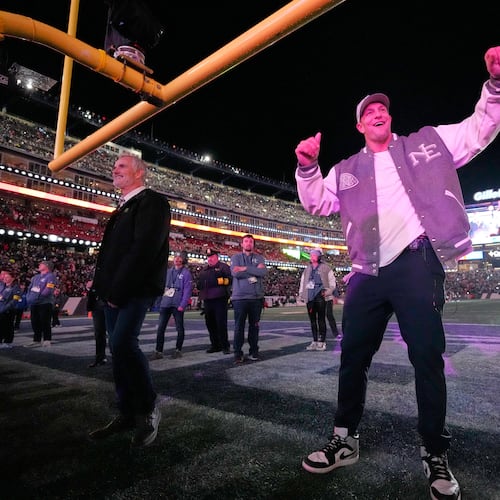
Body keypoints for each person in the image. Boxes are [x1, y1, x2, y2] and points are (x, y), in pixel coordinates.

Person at [294, 45, 500, 500]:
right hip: (366, 270)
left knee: (427, 358)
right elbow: (316, 202)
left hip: (414, 262)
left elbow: (479, 129)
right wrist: (307, 167)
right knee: (352, 358)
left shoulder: (425, 142)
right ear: (359, 125)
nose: (378, 112)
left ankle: (434, 453)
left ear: (390, 117)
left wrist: (496, 87)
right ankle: (345, 437)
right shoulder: (346, 169)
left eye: (383, 107)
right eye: (369, 111)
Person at [89, 154, 171, 448]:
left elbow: (143, 250)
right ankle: (126, 411)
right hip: (112, 290)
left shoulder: (153, 202)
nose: (115, 169)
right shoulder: (123, 207)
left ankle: (148, 406)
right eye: (115, 166)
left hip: (133, 289)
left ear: (139, 173)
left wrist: (118, 292)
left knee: (123, 342)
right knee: (117, 347)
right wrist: (100, 289)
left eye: (122, 165)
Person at [230, 234, 267, 364]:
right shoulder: (235, 257)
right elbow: (235, 273)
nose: (248, 243)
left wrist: (245, 268)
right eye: (246, 241)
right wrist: (254, 270)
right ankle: (237, 353)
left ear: (253, 244)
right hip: (240, 297)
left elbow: (262, 273)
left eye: (251, 241)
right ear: (242, 244)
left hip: (256, 298)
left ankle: (254, 351)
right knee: (239, 327)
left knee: (254, 327)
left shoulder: (259, 257)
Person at [151, 251, 193, 360]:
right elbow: (162, 287)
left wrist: (183, 305)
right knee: (160, 328)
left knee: (179, 328)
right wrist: (159, 303)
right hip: (166, 303)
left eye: (180, 257)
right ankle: (158, 351)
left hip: (177, 304)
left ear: (184, 260)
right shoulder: (168, 272)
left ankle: (178, 349)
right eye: (176, 257)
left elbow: (187, 291)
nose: (177, 259)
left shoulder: (186, 273)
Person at [298, 248, 336, 351]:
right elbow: (303, 282)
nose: (312, 256)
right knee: (312, 321)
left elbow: (332, 282)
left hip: (321, 296)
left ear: (319, 256)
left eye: (314, 255)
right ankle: (314, 340)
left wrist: (328, 291)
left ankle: (322, 341)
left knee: (321, 319)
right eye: (311, 255)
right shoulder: (307, 269)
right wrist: (301, 293)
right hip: (310, 297)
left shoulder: (325, 268)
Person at [197, 248, 232, 354]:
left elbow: (230, 280)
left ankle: (225, 346)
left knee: (221, 324)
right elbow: (200, 284)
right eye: (208, 257)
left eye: (212, 257)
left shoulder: (224, 267)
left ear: (217, 257)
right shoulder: (204, 270)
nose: (210, 259)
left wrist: (218, 281)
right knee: (210, 324)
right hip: (207, 300)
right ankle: (215, 345)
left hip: (220, 299)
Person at [25, 260, 57, 347]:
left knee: (45, 321)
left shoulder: (51, 276)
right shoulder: (36, 277)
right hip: (34, 302)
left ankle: (47, 339)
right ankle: (36, 339)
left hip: (45, 302)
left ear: (47, 266)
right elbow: (30, 288)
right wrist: (29, 298)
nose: (39, 265)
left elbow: (48, 289)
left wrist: (38, 297)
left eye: (41, 264)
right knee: (34, 321)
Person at [86, 279, 109, 368]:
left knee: (113, 332)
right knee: (99, 332)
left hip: (109, 301)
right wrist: (89, 287)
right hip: (97, 303)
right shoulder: (98, 268)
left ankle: (118, 359)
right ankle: (100, 357)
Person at [0, 268, 22, 348]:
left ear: (12, 278)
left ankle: (8, 342)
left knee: (8, 326)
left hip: (9, 310)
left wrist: (5, 308)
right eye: (4, 277)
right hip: (1, 309)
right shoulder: (3, 286)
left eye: (7, 277)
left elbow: (14, 300)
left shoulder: (15, 287)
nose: (5, 278)